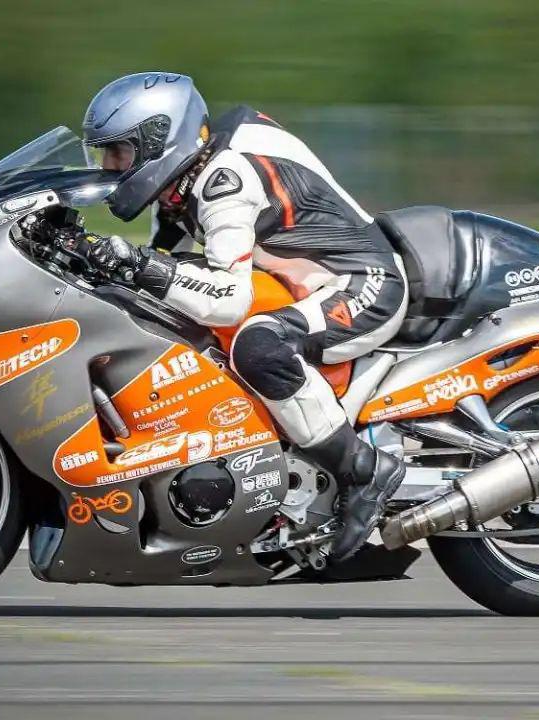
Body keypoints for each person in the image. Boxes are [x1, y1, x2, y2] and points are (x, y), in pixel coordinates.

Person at [81, 72, 407, 561]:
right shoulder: (182, 179)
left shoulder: (224, 180)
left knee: (259, 345)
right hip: (303, 282)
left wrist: (137, 264)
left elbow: (228, 298)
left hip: (363, 283)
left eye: (118, 153)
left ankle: (362, 469)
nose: (109, 168)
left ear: (158, 142)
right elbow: (163, 264)